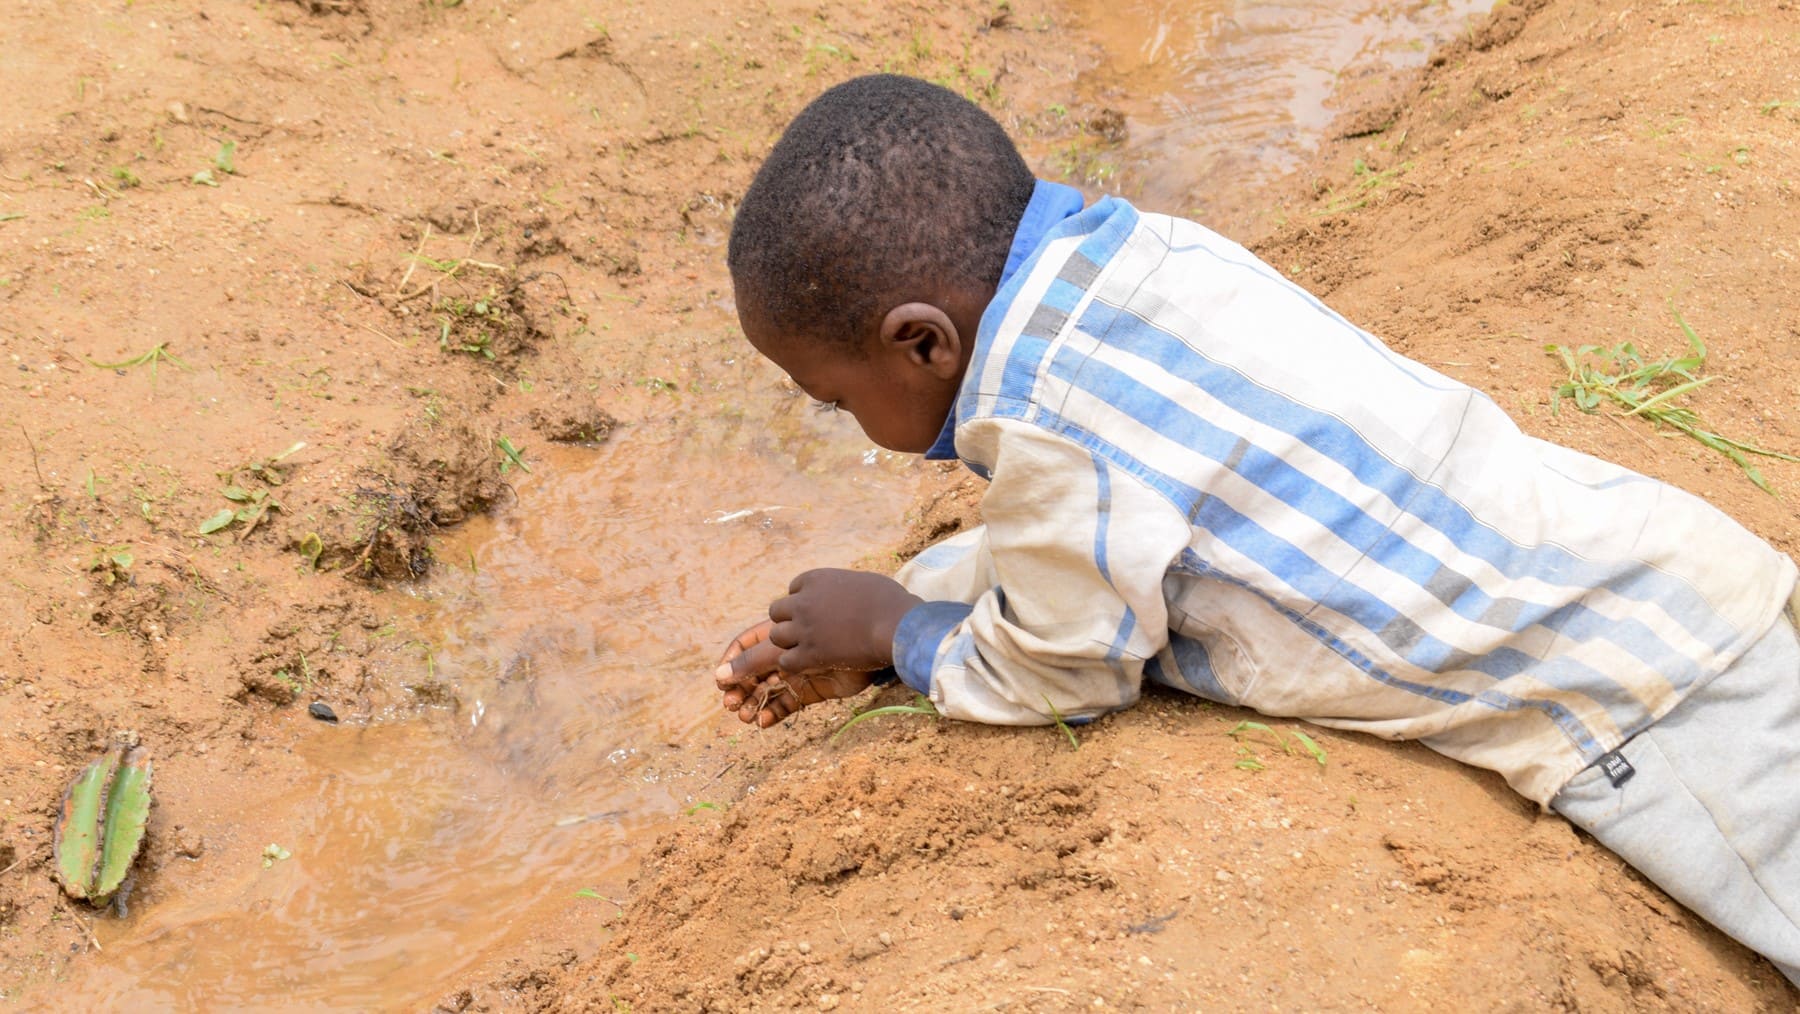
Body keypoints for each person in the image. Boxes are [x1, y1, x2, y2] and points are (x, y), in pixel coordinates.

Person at [712, 73, 1800, 985]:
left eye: (835, 399)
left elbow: (1060, 672)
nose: (849, 424)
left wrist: (898, 629)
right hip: (1648, 565)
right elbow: (1100, 532)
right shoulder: (1143, 256)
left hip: (1642, 703)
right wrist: (925, 590)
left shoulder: (1049, 430)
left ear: (922, 345)